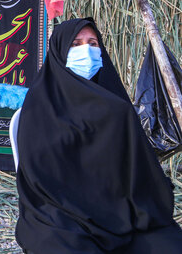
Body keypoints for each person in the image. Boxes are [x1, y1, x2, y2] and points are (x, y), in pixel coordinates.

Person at [15, 18, 182, 253]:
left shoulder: (118, 108)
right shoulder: (41, 105)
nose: (87, 51)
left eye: (93, 43)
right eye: (76, 44)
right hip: (63, 215)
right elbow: (40, 178)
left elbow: (139, 170)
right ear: (60, 52)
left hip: (121, 212)